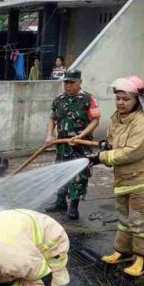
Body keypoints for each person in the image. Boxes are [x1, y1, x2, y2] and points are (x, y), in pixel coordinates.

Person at [88, 75, 144, 277]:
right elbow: (114, 140)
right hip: (126, 178)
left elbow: (133, 152)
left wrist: (101, 157)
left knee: (140, 220)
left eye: (126, 99)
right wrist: (106, 145)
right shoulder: (118, 117)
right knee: (125, 218)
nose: (120, 103)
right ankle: (123, 252)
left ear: (138, 100)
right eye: (118, 98)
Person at [44, 69, 100, 219]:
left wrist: (81, 135)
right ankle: (60, 201)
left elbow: (95, 120)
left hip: (81, 145)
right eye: (66, 82)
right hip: (62, 145)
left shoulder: (88, 98)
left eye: (72, 82)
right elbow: (52, 118)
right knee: (60, 172)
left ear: (79, 82)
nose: (68, 85)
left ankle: (74, 206)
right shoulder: (58, 99)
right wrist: (49, 136)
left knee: (80, 175)